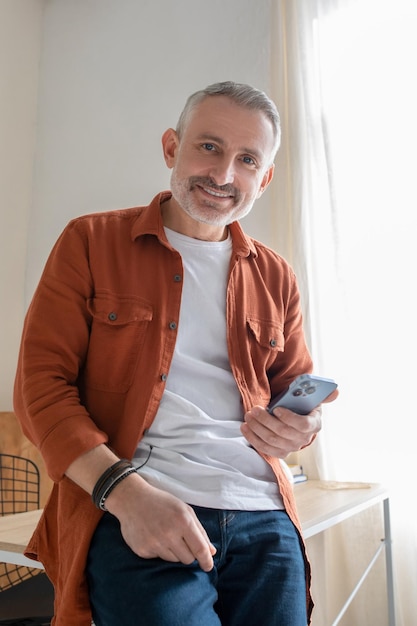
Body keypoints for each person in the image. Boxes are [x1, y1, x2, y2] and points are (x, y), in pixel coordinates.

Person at [14, 81, 337, 626]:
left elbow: (294, 388)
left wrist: (301, 428)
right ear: (171, 147)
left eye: (247, 159)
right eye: (208, 147)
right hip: (139, 506)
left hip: (265, 518)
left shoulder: (277, 275)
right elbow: (40, 390)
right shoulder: (90, 242)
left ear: (266, 177)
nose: (223, 175)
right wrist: (125, 495)